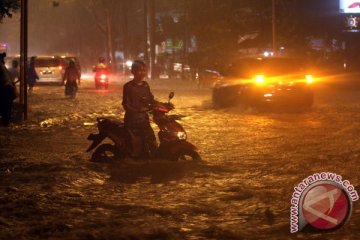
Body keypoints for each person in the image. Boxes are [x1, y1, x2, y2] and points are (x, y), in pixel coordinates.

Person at [122, 60, 157, 157]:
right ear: (133, 71)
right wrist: (137, 111)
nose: (142, 73)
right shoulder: (128, 87)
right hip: (132, 120)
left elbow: (151, 99)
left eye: (144, 70)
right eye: (139, 70)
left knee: (152, 140)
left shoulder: (145, 85)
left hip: (144, 119)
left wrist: (163, 105)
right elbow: (126, 105)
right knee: (145, 142)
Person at [0, 53, 16, 127]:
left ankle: (5, 122)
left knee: (5, 107)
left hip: (5, 89)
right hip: (7, 89)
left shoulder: (1, 67)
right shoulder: (2, 67)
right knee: (6, 107)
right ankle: (6, 122)